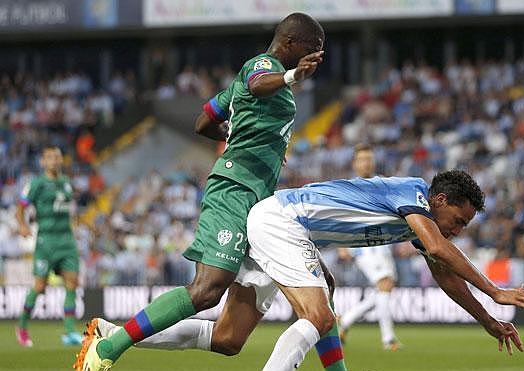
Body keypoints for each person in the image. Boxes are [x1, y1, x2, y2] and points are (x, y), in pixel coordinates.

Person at [76, 13, 347, 371]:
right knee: (207, 290)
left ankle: (111, 333)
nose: (315, 58)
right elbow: (257, 84)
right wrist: (292, 76)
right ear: (291, 44)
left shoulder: (237, 88)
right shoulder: (262, 67)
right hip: (236, 189)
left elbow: (203, 122)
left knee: (231, 338)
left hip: (262, 205)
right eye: (313, 50)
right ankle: (109, 350)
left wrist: (235, 134)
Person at [243, 170, 524, 370]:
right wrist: (495, 291)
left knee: (226, 335)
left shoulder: (418, 223)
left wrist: (487, 321)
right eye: (458, 221)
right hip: (282, 221)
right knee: (319, 316)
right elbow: (440, 248)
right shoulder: (412, 192)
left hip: (288, 224)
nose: (457, 230)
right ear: (439, 200)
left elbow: (445, 274)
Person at [15, 146, 83, 347]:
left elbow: (69, 210)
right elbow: (20, 207)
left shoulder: (66, 183)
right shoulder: (37, 184)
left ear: (61, 160)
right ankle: (22, 326)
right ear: (43, 162)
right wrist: (22, 225)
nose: (54, 160)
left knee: (72, 283)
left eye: (57, 157)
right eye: (50, 157)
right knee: (40, 286)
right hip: (46, 241)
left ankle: (70, 331)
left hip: (67, 241)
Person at [336, 144, 400, 349]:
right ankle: (388, 339)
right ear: (355, 163)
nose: (367, 162)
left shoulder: (381, 184)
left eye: (369, 158)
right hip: (364, 246)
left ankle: (345, 320)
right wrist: (342, 244)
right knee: (384, 284)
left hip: (384, 244)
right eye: (362, 159)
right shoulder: (350, 188)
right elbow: (342, 216)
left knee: (384, 289)